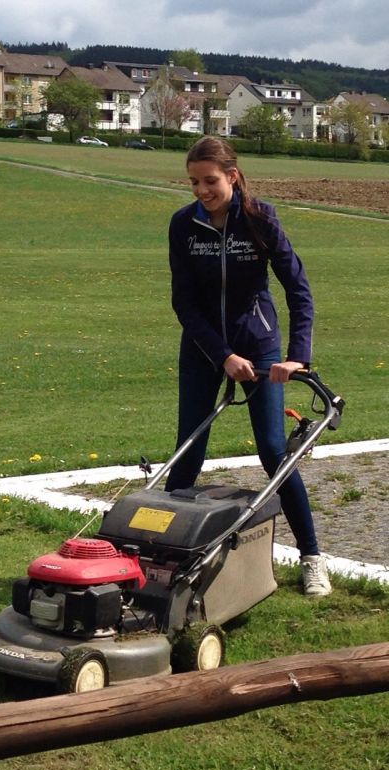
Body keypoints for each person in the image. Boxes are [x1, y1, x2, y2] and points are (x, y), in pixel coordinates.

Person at [165, 135, 331, 597]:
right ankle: (164, 558)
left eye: (210, 181)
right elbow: (184, 302)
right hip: (203, 350)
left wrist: (297, 356)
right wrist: (222, 355)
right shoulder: (183, 225)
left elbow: (298, 289)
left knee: (274, 453)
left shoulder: (261, 219)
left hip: (258, 345)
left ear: (232, 176)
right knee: (188, 450)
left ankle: (312, 557)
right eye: (194, 182)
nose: (201, 190)